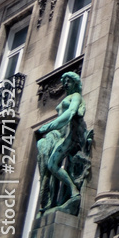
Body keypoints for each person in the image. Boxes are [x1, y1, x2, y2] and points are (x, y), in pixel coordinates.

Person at [35, 71, 91, 214]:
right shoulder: (67, 97)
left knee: (52, 165)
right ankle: (57, 198)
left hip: (69, 134)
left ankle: (73, 191)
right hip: (60, 135)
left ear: (75, 82)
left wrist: (49, 125)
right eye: (64, 81)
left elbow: (71, 112)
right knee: (50, 164)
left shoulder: (76, 96)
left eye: (69, 81)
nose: (65, 84)